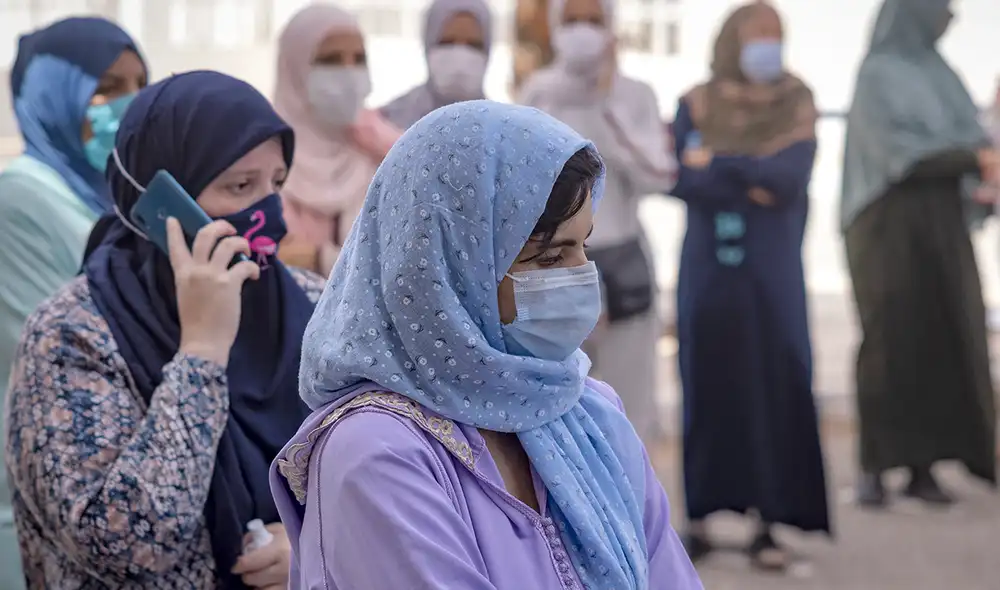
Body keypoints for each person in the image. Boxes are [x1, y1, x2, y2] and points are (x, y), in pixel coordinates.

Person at [269, 101, 703, 590]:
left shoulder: (590, 415)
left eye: (584, 246)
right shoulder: (377, 453)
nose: (582, 275)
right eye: (549, 256)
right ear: (447, 271)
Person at [4, 70, 321, 588]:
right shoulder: (70, 335)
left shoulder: (311, 303)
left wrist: (320, 543)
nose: (268, 212)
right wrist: (201, 354)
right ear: (160, 206)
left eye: (277, 184)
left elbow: (376, 480)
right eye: (241, 186)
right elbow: (126, 548)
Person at [669, 2, 829, 570]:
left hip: (773, 273)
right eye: (757, 35)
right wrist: (744, 174)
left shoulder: (798, 101)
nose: (768, 46)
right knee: (707, 380)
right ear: (732, 40)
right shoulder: (696, 101)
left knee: (774, 381)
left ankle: (770, 520)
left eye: (776, 35)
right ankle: (702, 520)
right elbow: (681, 178)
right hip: (709, 273)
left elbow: (789, 179)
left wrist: (720, 164)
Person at [0, 17, 145, 589]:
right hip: (42, 488)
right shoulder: (22, 199)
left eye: (139, 83)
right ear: (52, 95)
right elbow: (59, 348)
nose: (128, 102)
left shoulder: (107, 195)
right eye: (107, 87)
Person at [841, 0, 998, 507]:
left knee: (943, 336)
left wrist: (978, 166)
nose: (948, 16)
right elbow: (895, 155)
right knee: (890, 342)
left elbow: (974, 138)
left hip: (942, 223)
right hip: (887, 225)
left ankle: (923, 466)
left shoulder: (941, 73)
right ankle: (874, 467)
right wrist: (971, 157)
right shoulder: (878, 73)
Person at [518, 0, 676, 445]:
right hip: (552, 269)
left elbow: (660, 176)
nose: (582, 31)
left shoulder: (634, 94)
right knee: (551, 411)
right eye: (572, 20)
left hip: (623, 262)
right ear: (554, 27)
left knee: (631, 413)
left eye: (593, 20)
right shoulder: (538, 92)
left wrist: (607, 106)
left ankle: (636, 511)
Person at [274, 3, 401, 276]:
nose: (349, 72)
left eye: (359, 59)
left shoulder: (389, 153)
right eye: (330, 60)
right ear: (293, 68)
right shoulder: (263, 166)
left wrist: (319, 259)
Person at [379, 0, 492, 130]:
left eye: (473, 45)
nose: (459, 56)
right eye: (447, 42)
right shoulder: (385, 125)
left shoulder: (502, 130)